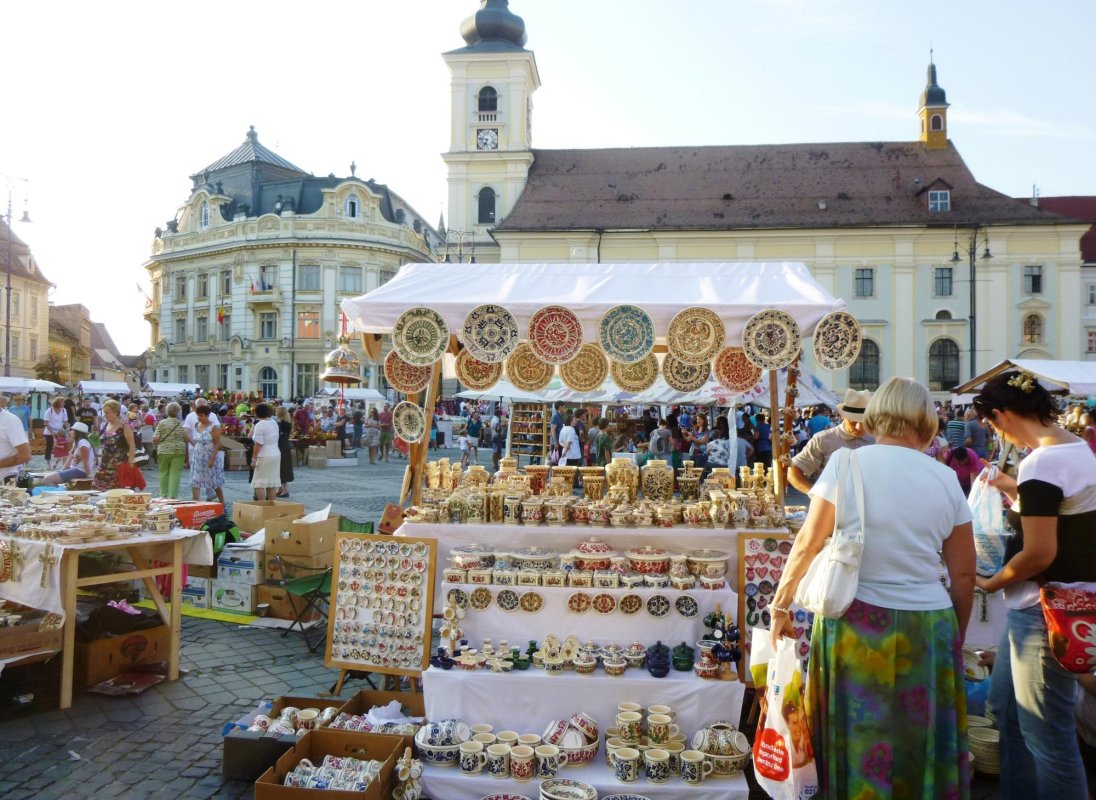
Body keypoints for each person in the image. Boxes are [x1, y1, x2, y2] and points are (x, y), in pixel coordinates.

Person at [771, 376, 976, 798]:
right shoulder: (944, 477)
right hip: (929, 625)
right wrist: (955, 634)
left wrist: (780, 605)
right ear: (928, 422)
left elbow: (808, 544)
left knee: (857, 733)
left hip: (856, 620)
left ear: (876, 415)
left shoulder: (846, 465)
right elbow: (964, 575)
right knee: (918, 738)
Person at [973, 370, 1096, 798]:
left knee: (1049, 738)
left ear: (1002, 414)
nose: (996, 432)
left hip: (1047, 610)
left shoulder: (1043, 460)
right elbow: (1064, 518)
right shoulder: (1074, 448)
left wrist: (989, 583)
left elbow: (1039, 553)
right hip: (1047, 605)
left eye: (992, 423)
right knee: (1007, 712)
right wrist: (1013, 491)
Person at [788, 389, 875, 493]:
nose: (859, 427)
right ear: (842, 416)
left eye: (864, 422)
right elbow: (794, 470)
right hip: (834, 506)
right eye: (853, 422)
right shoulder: (823, 439)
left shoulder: (880, 439)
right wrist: (816, 495)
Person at [92, 399, 137, 491]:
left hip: (118, 469)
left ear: (115, 412)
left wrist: (131, 464)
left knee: (116, 495)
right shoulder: (105, 426)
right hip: (103, 467)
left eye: (107, 413)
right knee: (98, 492)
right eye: (104, 412)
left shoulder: (124, 426)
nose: (105, 415)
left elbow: (132, 445)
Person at [186, 404, 224, 504]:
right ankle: (195, 502)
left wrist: (212, 459)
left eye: (201, 415)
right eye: (197, 415)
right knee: (195, 481)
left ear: (207, 415)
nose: (199, 417)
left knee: (214, 482)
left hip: (210, 455)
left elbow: (217, 444)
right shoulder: (196, 425)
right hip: (197, 456)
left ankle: (222, 502)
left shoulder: (214, 427)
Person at [153, 402, 187, 498]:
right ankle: (172, 496)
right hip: (179, 451)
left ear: (167, 411)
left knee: (164, 472)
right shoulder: (181, 424)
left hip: (164, 450)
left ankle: (163, 495)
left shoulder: (162, 423)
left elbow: (155, 438)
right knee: (175, 473)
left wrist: (156, 445)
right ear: (178, 412)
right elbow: (186, 438)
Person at [249, 403, 280, 500]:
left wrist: (254, 459)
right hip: (275, 453)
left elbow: (258, 444)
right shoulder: (273, 422)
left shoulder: (260, 425)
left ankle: (262, 505)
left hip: (264, 455)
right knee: (271, 482)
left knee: (259, 483)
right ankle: (271, 505)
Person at [275, 406, 294, 498]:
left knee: (282, 469)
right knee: (282, 469)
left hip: (281, 447)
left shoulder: (282, 424)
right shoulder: (287, 423)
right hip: (284, 447)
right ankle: (281, 489)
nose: (275, 413)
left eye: (276, 411)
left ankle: (285, 490)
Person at [43, 396, 67, 465]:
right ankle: (48, 462)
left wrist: (68, 430)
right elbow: (46, 422)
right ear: (58, 403)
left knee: (62, 447)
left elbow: (65, 421)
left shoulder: (63, 410)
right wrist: (52, 432)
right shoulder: (49, 410)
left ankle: (60, 463)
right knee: (49, 447)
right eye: (63, 402)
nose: (64, 404)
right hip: (49, 431)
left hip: (60, 432)